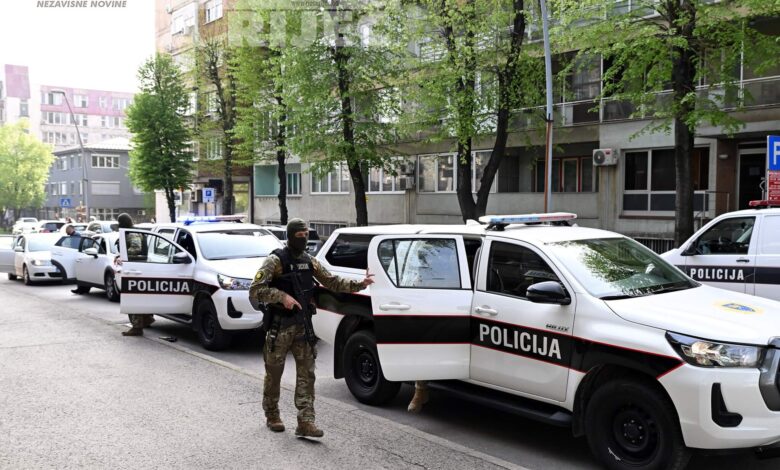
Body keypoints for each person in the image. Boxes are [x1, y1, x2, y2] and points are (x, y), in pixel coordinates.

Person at [250, 218, 374, 438]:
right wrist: (282, 296)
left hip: (303, 326)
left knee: (307, 375)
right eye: (299, 235)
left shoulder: (310, 261)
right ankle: (272, 415)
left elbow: (332, 281)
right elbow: (255, 290)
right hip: (280, 328)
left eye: (306, 234)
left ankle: (306, 421)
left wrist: (360, 284)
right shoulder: (275, 261)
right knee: (274, 374)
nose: (304, 239)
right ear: (290, 236)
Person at [116, 212, 155, 336]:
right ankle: (146, 318)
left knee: (132, 298)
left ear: (123, 223)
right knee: (138, 297)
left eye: (119, 222)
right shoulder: (131, 231)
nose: (118, 225)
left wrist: (123, 256)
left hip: (135, 268)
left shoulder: (132, 233)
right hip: (137, 267)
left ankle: (137, 326)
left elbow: (136, 248)